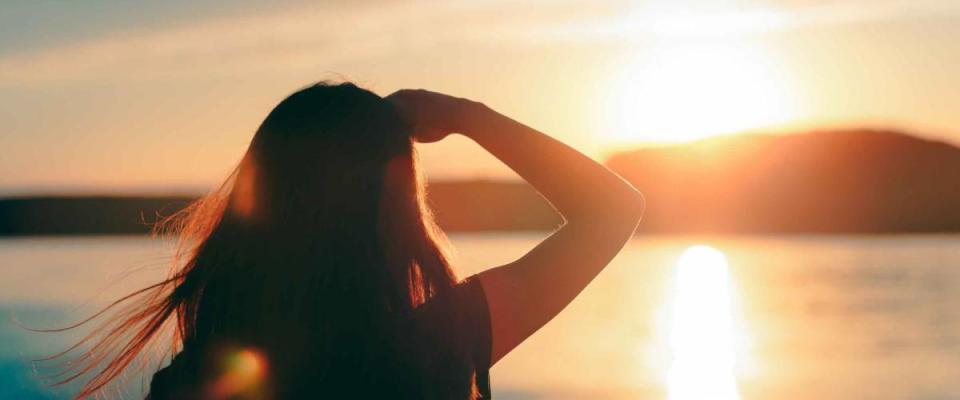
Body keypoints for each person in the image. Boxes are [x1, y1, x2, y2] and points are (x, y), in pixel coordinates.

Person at [50, 82, 643, 399]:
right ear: (395, 215)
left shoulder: (192, 383)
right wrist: (465, 114)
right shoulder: (435, 346)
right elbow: (613, 208)